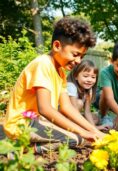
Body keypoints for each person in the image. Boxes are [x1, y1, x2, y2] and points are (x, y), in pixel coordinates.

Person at [2, 17, 105, 153]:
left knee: (78, 136)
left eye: (82, 56)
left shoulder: (60, 73)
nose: (78, 61)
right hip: (23, 124)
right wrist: (84, 133)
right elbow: (45, 108)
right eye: (75, 54)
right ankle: (18, 151)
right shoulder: (43, 64)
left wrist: (92, 130)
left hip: (39, 121)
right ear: (57, 46)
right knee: (76, 138)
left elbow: (67, 107)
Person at [67, 60, 108, 131]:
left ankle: (85, 126)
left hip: (75, 114)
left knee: (95, 118)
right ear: (76, 76)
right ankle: (74, 127)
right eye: (86, 76)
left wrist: (94, 128)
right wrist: (91, 129)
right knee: (79, 103)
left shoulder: (87, 90)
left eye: (93, 77)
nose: (89, 80)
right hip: (63, 114)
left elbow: (87, 111)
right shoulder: (71, 86)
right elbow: (74, 110)